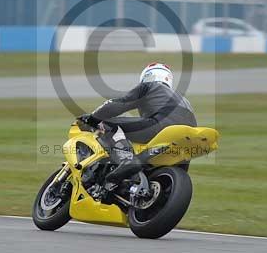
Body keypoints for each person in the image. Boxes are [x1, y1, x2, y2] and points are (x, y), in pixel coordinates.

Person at [77, 62, 197, 190]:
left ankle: (126, 159)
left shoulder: (149, 86)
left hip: (161, 126)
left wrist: (93, 118)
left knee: (105, 124)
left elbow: (120, 104)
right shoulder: (184, 100)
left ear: (147, 76)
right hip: (187, 138)